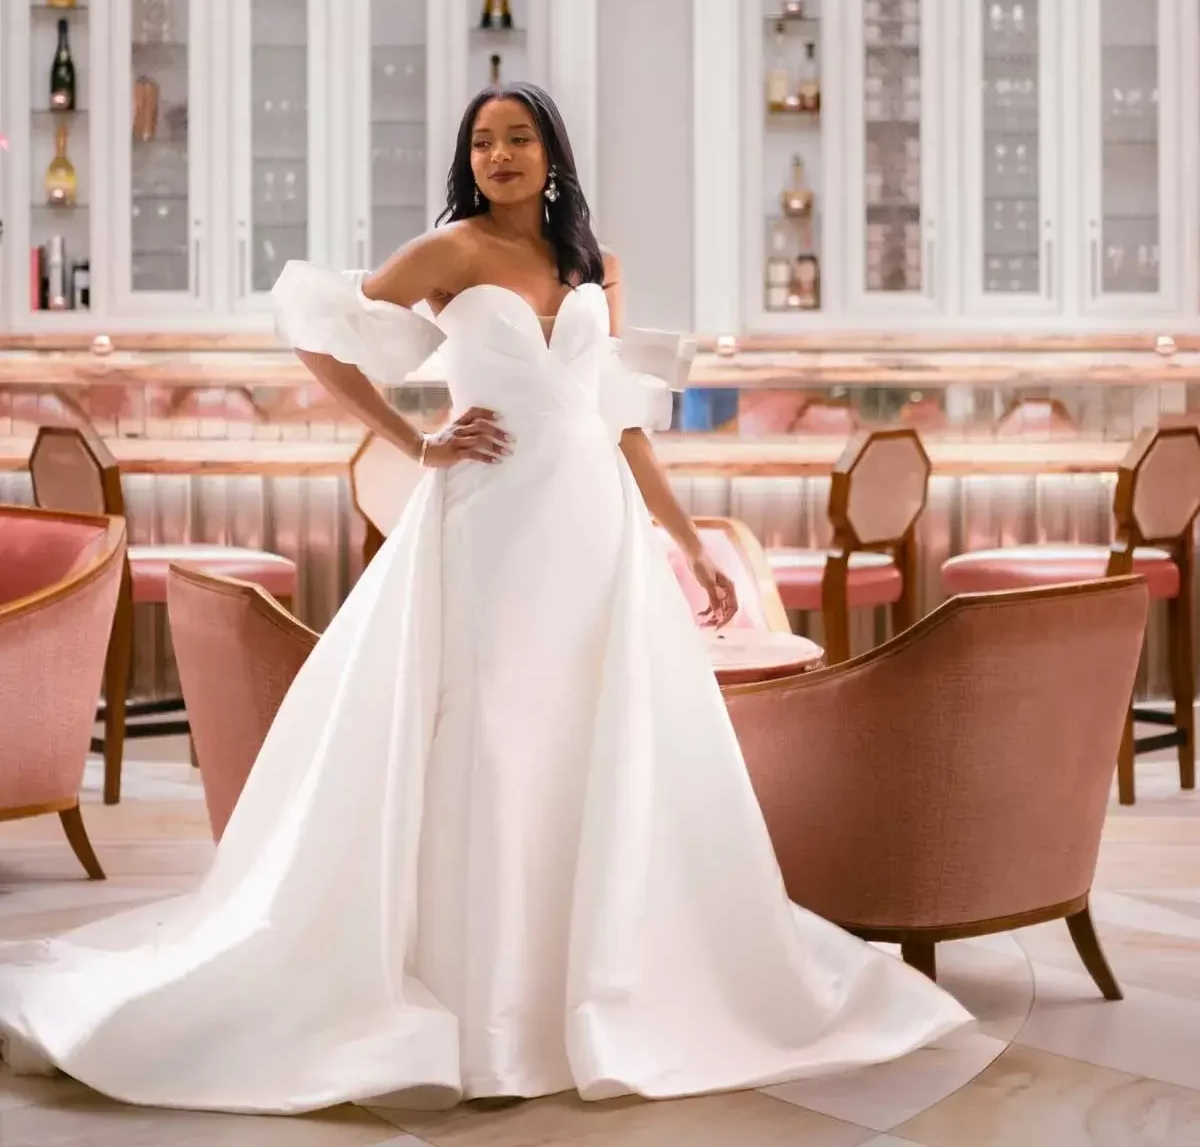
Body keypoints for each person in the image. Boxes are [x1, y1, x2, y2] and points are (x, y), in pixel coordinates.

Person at [0, 84, 969, 1114]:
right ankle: (483, 1003)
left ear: (553, 154)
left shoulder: (594, 266)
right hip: (491, 526)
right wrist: (416, 440)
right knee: (494, 741)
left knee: (592, 746)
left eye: (520, 137)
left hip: (594, 531)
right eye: (483, 140)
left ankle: (590, 984)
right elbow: (317, 328)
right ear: (470, 160)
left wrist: (689, 541)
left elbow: (622, 420)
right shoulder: (452, 250)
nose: (501, 153)